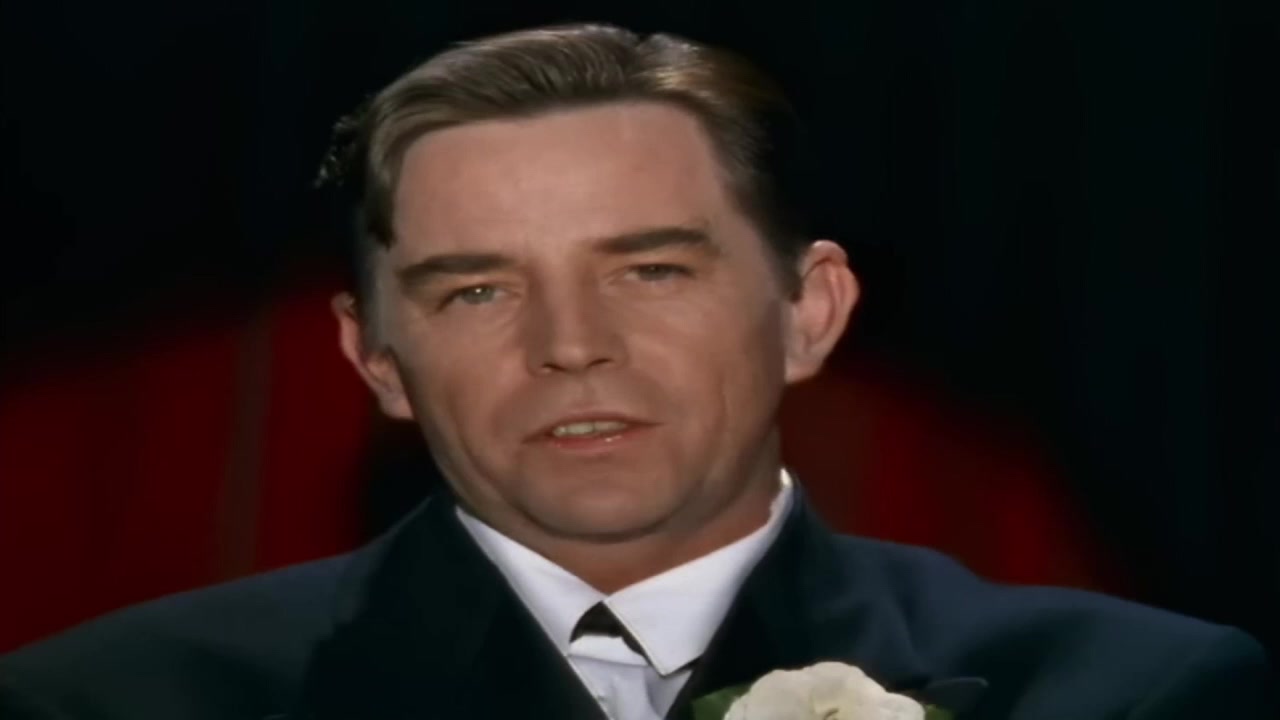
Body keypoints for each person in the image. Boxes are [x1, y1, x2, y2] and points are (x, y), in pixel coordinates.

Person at [0, 23, 1272, 720]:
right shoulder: (104, 706)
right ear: (374, 357)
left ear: (807, 312)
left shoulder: (1131, 697)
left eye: (650, 271)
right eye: (477, 289)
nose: (569, 344)